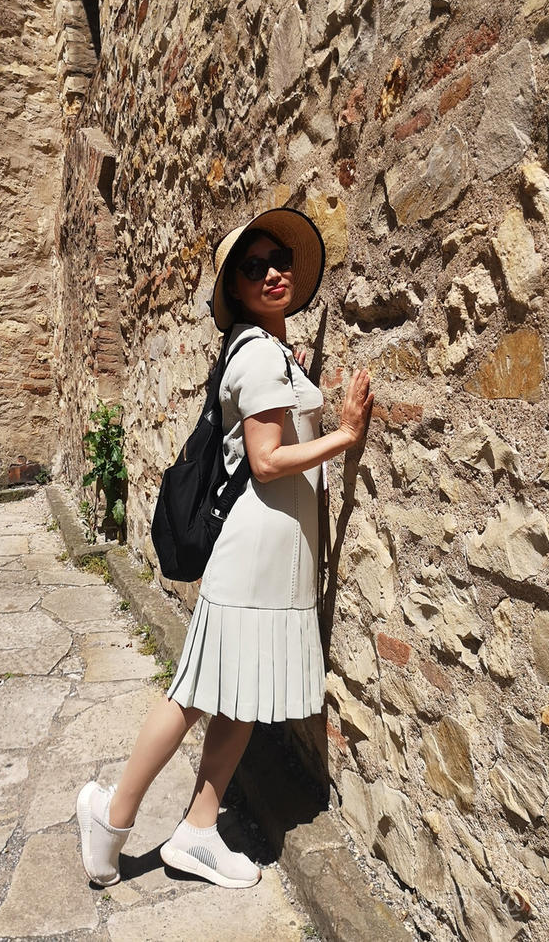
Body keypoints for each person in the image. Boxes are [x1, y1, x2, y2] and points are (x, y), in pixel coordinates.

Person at [77, 207, 373, 890]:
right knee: (194, 693)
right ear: (235, 289)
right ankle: (111, 817)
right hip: (255, 552)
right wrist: (346, 435)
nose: (272, 273)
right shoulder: (259, 353)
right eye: (253, 267)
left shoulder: (269, 352)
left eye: (280, 262)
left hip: (274, 553)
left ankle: (197, 831)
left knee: (238, 696)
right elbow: (267, 463)